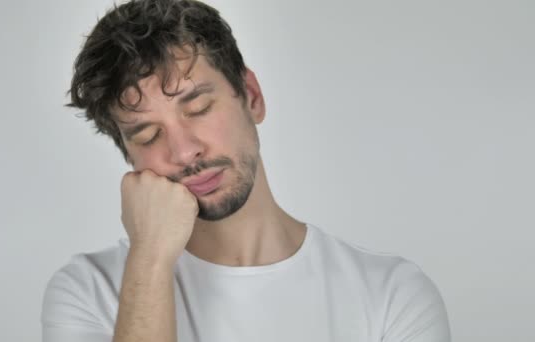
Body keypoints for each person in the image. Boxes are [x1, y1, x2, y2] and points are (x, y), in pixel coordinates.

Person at [40, 0, 452, 341]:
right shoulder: (89, 291)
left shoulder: (390, 294)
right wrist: (149, 259)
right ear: (128, 155)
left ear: (251, 97)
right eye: (148, 135)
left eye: (198, 109)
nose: (185, 152)